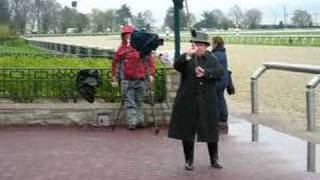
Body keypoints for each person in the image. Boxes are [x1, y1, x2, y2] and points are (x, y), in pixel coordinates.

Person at [168, 31, 224, 170]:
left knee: (210, 129)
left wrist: (206, 73)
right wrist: (187, 55)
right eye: (196, 45)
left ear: (206, 47)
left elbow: (220, 72)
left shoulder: (212, 59)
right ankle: (189, 160)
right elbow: (177, 65)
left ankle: (214, 159)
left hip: (207, 101)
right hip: (188, 100)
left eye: (201, 45)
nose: (198, 47)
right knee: (187, 130)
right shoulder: (187, 58)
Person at [111, 25, 155, 130]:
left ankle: (139, 121)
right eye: (126, 34)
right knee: (130, 102)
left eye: (130, 34)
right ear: (123, 36)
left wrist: (151, 74)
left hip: (140, 79)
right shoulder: (121, 49)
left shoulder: (142, 48)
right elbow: (115, 64)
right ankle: (133, 122)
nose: (128, 36)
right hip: (127, 80)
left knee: (139, 101)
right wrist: (113, 78)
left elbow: (149, 61)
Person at [211, 36, 229, 133]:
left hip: (218, 81)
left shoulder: (216, 55)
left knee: (216, 100)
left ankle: (218, 119)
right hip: (223, 80)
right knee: (221, 98)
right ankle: (223, 118)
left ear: (216, 44)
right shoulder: (222, 53)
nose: (211, 45)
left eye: (212, 43)